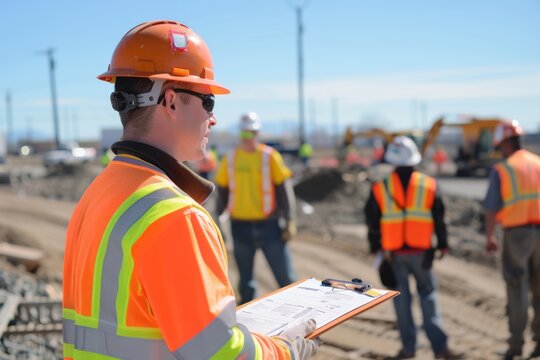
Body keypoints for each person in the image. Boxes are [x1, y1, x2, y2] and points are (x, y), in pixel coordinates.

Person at [62, 20, 319, 360]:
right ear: (170, 101)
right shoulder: (175, 217)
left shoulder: (101, 192)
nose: (213, 118)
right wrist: (285, 352)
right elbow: (219, 353)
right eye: (208, 101)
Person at [364, 136, 462, 360]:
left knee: (401, 301)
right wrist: (443, 244)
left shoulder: (381, 187)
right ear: (415, 158)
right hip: (422, 252)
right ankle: (440, 348)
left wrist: (376, 247)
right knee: (428, 296)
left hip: (393, 254)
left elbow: (372, 220)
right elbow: (440, 217)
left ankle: (408, 350)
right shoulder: (429, 184)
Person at [215, 112, 297, 304]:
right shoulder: (231, 159)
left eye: (251, 133)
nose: (248, 138)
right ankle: (249, 326)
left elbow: (284, 190)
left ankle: (297, 319)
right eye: (244, 134)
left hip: (270, 226)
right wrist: (217, 221)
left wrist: (290, 219)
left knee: (286, 279)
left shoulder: (270, 157)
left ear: (257, 133)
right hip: (240, 227)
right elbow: (222, 192)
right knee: (246, 283)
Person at [483, 120, 540, 360]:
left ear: (504, 143)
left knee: (517, 287)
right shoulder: (538, 162)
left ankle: (516, 344)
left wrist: (489, 237)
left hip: (516, 234)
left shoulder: (503, 169)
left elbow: (492, 208)